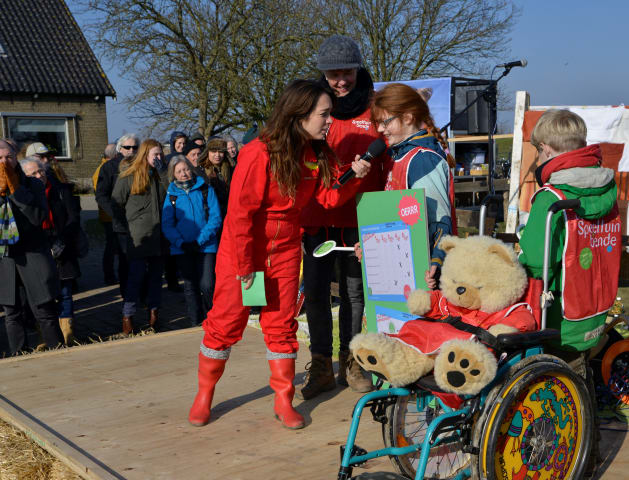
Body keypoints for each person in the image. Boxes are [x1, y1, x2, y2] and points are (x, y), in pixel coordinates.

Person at [187, 79, 372, 430]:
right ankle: (205, 394)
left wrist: (355, 177)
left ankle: (284, 400)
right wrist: (244, 267)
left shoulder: (315, 154)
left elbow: (328, 199)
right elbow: (240, 214)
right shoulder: (259, 153)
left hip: (286, 250)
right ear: (299, 114)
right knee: (225, 324)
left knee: (281, 325)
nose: (329, 121)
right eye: (324, 114)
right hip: (245, 252)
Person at [517, 109, 619, 476]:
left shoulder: (552, 196)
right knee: (580, 375)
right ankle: (586, 454)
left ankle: (557, 454)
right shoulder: (606, 186)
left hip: (558, 308)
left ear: (545, 150)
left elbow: (531, 261)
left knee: (552, 378)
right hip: (593, 304)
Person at [297, 35, 387, 400]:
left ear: (358, 68)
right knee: (316, 293)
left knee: (354, 293)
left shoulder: (374, 107)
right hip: (317, 215)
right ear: (323, 74)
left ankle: (352, 360)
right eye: (333, 74)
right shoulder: (313, 106)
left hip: (358, 217)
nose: (341, 81)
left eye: (346, 72)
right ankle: (321, 364)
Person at [371, 82, 457, 286]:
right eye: (378, 123)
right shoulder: (395, 156)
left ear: (408, 117)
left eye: (385, 122)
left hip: (423, 273)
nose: (380, 129)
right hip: (399, 267)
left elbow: (440, 220)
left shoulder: (422, 159)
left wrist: (436, 259)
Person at [0, 140, 63, 354]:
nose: (4, 162)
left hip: (32, 252)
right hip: (5, 256)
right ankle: (19, 356)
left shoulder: (33, 185)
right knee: (11, 313)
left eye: (8, 157)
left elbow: (38, 218)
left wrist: (16, 191)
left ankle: (59, 352)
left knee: (44, 309)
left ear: (15, 156)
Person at [20, 157, 82, 345]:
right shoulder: (24, 195)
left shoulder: (61, 191)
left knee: (65, 292)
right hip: (37, 249)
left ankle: (67, 333)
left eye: (41, 171)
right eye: (34, 173)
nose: (40, 176)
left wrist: (61, 241)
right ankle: (46, 336)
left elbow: (73, 218)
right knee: (42, 296)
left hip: (62, 246)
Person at [112, 139, 167, 334]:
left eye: (161, 154)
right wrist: (125, 227)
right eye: (155, 154)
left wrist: (162, 173)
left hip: (159, 235)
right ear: (145, 155)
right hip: (138, 235)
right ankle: (128, 316)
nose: (159, 158)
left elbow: (171, 194)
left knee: (155, 278)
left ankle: (154, 315)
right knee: (135, 277)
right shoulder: (129, 176)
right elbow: (116, 202)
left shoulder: (162, 175)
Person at [162, 155, 222, 327]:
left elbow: (215, 218)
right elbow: (167, 224)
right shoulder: (171, 195)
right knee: (190, 286)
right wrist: (181, 242)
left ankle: (214, 318)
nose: (184, 173)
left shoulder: (205, 189)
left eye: (186, 169)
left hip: (206, 246)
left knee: (208, 285)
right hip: (182, 248)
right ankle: (196, 321)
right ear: (173, 174)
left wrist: (200, 240)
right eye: (179, 171)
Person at [96, 134, 139, 297]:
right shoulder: (109, 167)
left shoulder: (143, 166)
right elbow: (101, 194)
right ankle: (127, 296)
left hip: (142, 221)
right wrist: (115, 213)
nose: (131, 150)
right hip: (122, 223)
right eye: (127, 147)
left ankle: (142, 294)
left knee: (142, 260)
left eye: (135, 147)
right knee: (125, 260)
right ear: (120, 149)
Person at [93, 144, 121, 285]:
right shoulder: (104, 169)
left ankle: (110, 275)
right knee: (111, 246)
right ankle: (109, 276)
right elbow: (101, 193)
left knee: (113, 246)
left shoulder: (102, 167)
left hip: (108, 215)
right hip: (109, 215)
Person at [198, 138, 234, 219]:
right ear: (207, 152)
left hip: (229, 213)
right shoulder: (200, 171)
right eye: (214, 151)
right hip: (209, 215)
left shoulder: (231, 169)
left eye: (220, 152)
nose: (217, 155)